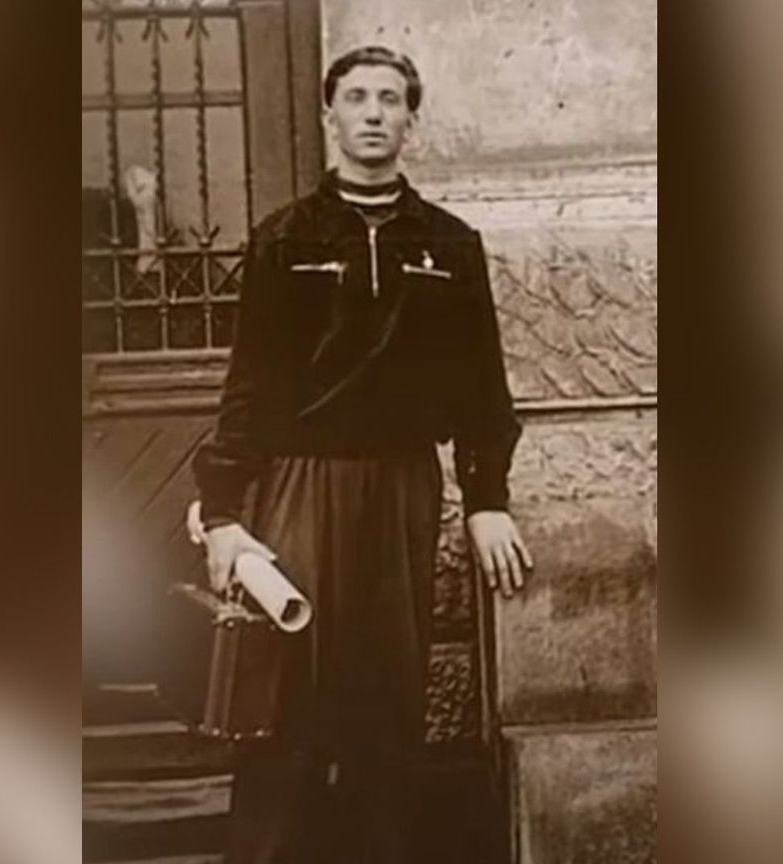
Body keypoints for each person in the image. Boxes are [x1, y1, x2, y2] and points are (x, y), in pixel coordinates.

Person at [191, 45, 532, 864]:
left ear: (412, 120)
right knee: (287, 696)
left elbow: (481, 388)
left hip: (402, 486)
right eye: (355, 97)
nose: (373, 113)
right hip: (300, 485)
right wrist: (225, 514)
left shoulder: (449, 244)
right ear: (329, 116)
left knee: (389, 700)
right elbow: (249, 386)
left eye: (389, 98)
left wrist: (485, 499)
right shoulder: (284, 239)